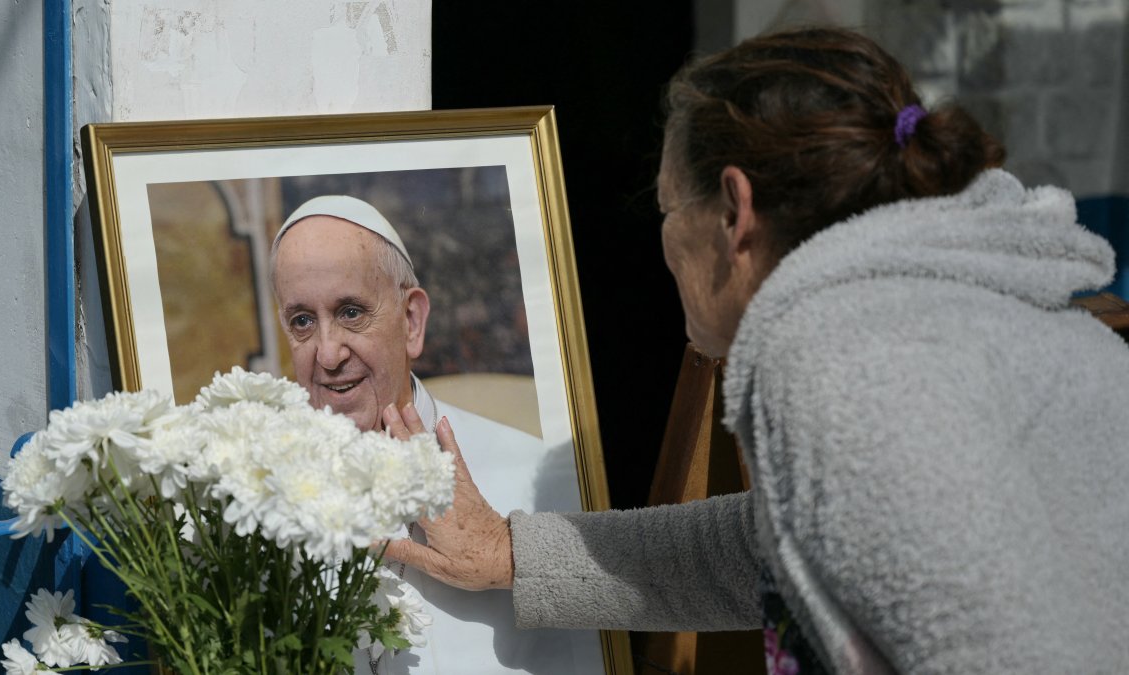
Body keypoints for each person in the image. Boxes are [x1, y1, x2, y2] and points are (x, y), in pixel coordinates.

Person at [383, 27, 1129, 673]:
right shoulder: (956, 313)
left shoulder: (838, 362)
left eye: (670, 206)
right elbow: (778, 547)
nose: (665, 241)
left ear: (734, 211)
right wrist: (517, 555)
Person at [269, 195, 605, 675]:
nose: (327, 354)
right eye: (302, 321)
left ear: (411, 322)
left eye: (350, 313)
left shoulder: (541, 482)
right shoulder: (253, 502)